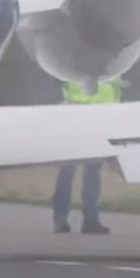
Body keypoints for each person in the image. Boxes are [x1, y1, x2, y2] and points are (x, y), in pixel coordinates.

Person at [52, 76, 124, 234]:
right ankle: (65, 220)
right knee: (71, 170)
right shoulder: (109, 58)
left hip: (99, 115)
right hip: (78, 112)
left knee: (86, 171)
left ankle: (84, 220)